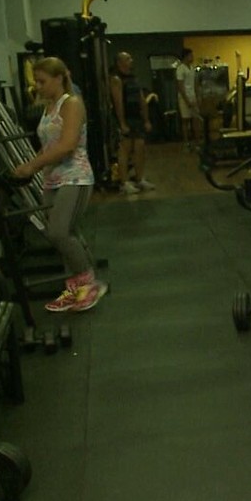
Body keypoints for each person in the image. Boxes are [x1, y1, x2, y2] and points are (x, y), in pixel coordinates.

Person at [13, 57, 108, 312]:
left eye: (43, 81)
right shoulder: (48, 107)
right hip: (52, 179)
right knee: (63, 235)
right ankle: (76, 288)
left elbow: (67, 145)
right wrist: (32, 166)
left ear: (59, 78)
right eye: (37, 82)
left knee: (59, 232)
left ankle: (89, 285)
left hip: (75, 176)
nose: (38, 87)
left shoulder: (72, 103)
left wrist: (32, 166)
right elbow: (48, 145)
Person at [109, 52, 155, 195]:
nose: (131, 60)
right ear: (120, 62)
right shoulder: (116, 79)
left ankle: (140, 178)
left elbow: (141, 99)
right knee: (125, 150)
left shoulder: (133, 78)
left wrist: (146, 119)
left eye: (131, 57)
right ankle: (124, 182)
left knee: (140, 148)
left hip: (137, 118)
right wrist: (122, 123)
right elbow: (118, 102)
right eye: (128, 58)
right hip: (126, 118)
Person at [175, 48, 202, 149]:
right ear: (186, 56)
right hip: (184, 97)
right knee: (185, 120)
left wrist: (197, 96)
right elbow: (180, 86)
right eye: (191, 55)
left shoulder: (192, 68)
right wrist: (186, 100)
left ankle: (197, 142)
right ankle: (186, 142)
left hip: (193, 96)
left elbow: (195, 83)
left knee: (196, 120)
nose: (192, 57)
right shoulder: (180, 69)